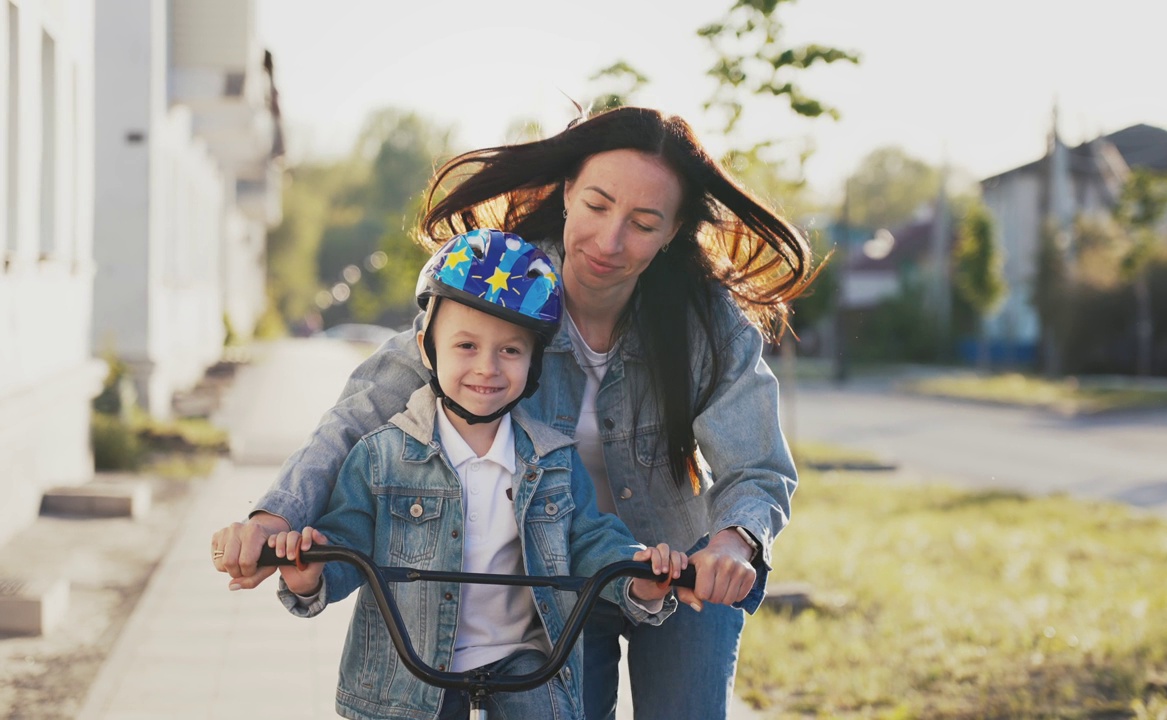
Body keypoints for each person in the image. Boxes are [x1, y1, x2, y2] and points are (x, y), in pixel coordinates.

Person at [212, 106, 814, 720]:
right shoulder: (501, 282)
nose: (609, 241)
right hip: (557, 576)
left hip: (680, 568)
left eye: (642, 222)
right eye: (598, 205)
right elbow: (360, 414)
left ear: (672, 230)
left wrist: (734, 545)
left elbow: (757, 465)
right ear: (569, 193)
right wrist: (273, 518)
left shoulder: (706, 321)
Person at [261, 228, 687, 720]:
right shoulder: (381, 457)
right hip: (408, 675)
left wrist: (639, 575)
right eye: (465, 346)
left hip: (526, 666)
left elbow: (591, 540)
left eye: (510, 351)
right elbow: (347, 539)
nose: (487, 367)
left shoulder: (554, 459)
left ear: (534, 363)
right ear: (428, 349)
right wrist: (310, 575)